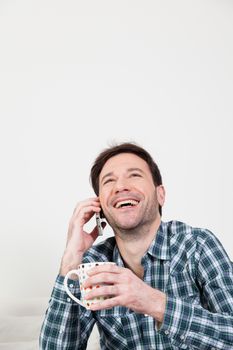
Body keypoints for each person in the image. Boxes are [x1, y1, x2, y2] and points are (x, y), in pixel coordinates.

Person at [40, 142, 233, 350]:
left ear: (161, 194)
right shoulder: (92, 265)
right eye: (109, 181)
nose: (120, 186)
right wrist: (71, 259)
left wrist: (155, 303)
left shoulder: (197, 244)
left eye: (134, 175)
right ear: (100, 208)